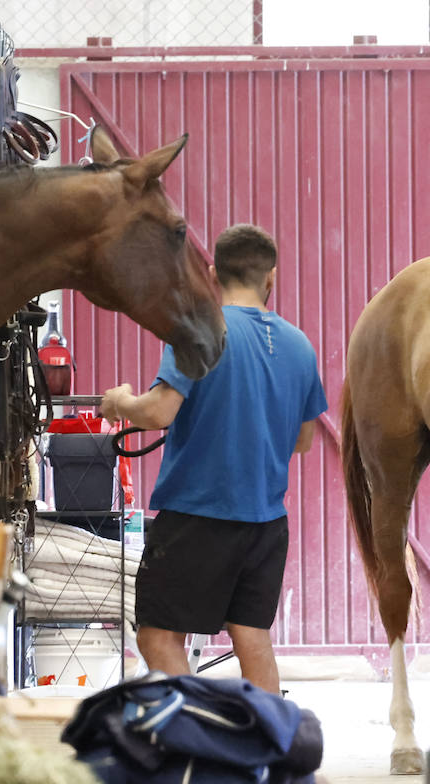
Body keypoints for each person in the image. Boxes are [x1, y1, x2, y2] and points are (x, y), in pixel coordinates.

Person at [100, 224, 328, 694]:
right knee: (251, 637)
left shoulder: (200, 330)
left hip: (197, 515)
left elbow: (160, 411)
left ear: (210, 274)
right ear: (272, 278)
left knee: (159, 635)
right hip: (266, 522)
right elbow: (304, 440)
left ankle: (200, 733)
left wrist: (120, 402)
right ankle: (266, 745)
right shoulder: (300, 346)